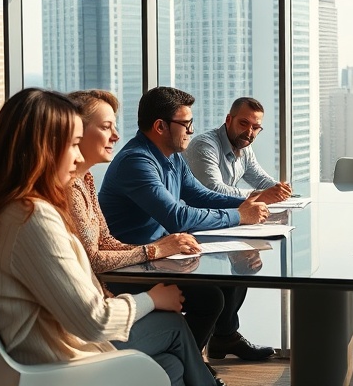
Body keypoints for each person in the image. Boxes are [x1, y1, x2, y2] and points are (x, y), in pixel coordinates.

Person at [0, 88, 215, 386]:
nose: (77, 155)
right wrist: (151, 298)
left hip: (8, 355)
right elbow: (95, 322)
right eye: (73, 144)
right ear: (45, 148)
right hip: (48, 361)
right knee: (173, 327)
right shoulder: (32, 218)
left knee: (170, 367)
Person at [99, 86, 275, 361]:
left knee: (235, 269)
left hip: (163, 253)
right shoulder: (136, 162)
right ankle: (187, 365)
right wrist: (241, 216)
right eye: (186, 124)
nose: (191, 131)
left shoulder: (172, 157)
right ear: (160, 126)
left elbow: (199, 195)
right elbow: (178, 217)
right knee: (210, 298)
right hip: (131, 264)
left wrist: (245, 205)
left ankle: (224, 338)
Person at [66, 90, 226, 384]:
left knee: (172, 363)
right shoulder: (130, 163)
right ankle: (201, 372)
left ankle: (194, 366)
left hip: (114, 277)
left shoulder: (85, 181)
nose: (116, 135)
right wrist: (153, 252)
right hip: (115, 284)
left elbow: (104, 243)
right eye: (106, 127)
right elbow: (93, 260)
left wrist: (244, 205)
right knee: (190, 314)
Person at [183, 97, 291, 203]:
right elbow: (214, 190)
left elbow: (260, 179)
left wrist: (279, 190)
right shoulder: (205, 146)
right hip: (196, 216)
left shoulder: (244, 147)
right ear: (228, 120)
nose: (249, 132)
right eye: (243, 123)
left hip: (222, 214)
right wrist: (258, 195)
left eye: (255, 127)